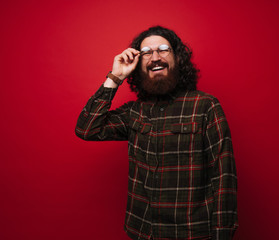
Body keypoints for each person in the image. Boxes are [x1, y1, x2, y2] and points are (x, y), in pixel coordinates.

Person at [75, 26, 238, 240]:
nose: (155, 57)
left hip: (192, 233)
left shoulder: (205, 106)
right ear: (138, 65)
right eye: (146, 53)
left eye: (163, 49)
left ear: (178, 58)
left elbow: (223, 176)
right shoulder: (134, 111)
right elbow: (86, 129)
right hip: (143, 231)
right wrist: (115, 77)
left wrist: (222, 235)